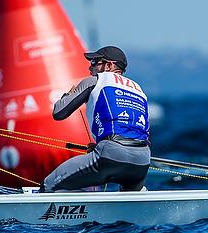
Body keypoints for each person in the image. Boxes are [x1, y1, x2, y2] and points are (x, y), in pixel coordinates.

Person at [42, 46, 150, 192]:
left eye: (94, 62)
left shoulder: (95, 81)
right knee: (131, 194)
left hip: (111, 154)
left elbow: (59, 112)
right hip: (143, 160)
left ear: (109, 65)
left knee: (49, 184)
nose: (90, 67)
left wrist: (68, 95)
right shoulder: (139, 90)